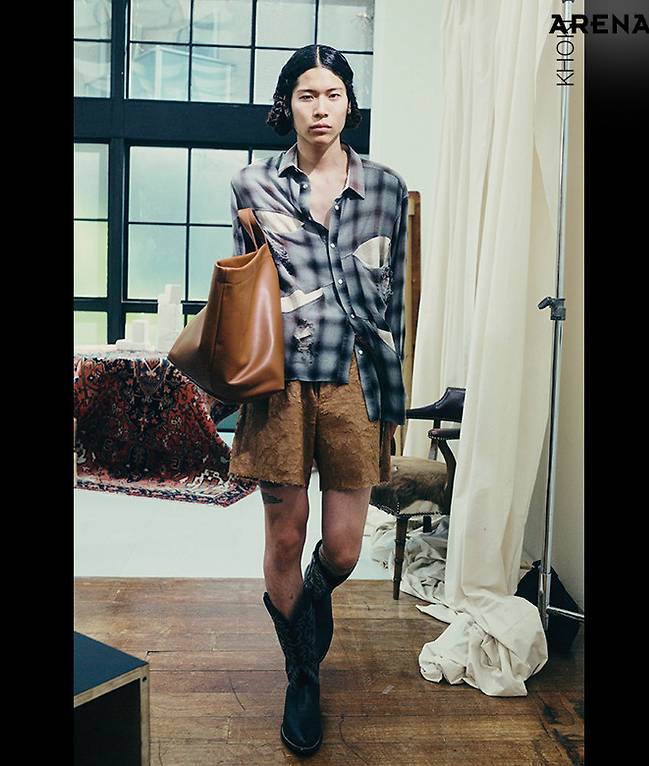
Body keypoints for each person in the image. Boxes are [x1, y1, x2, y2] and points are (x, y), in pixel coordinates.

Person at [227, 44, 409, 756]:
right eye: (308, 95)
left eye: (333, 94)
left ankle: (314, 595)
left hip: (357, 378)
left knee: (343, 546)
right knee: (284, 534)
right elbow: (246, 287)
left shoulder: (386, 188)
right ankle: (302, 673)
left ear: (349, 104)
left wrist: (395, 391)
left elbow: (394, 297)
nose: (322, 108)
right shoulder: (251, 184)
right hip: (282, 383)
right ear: (289, 104)